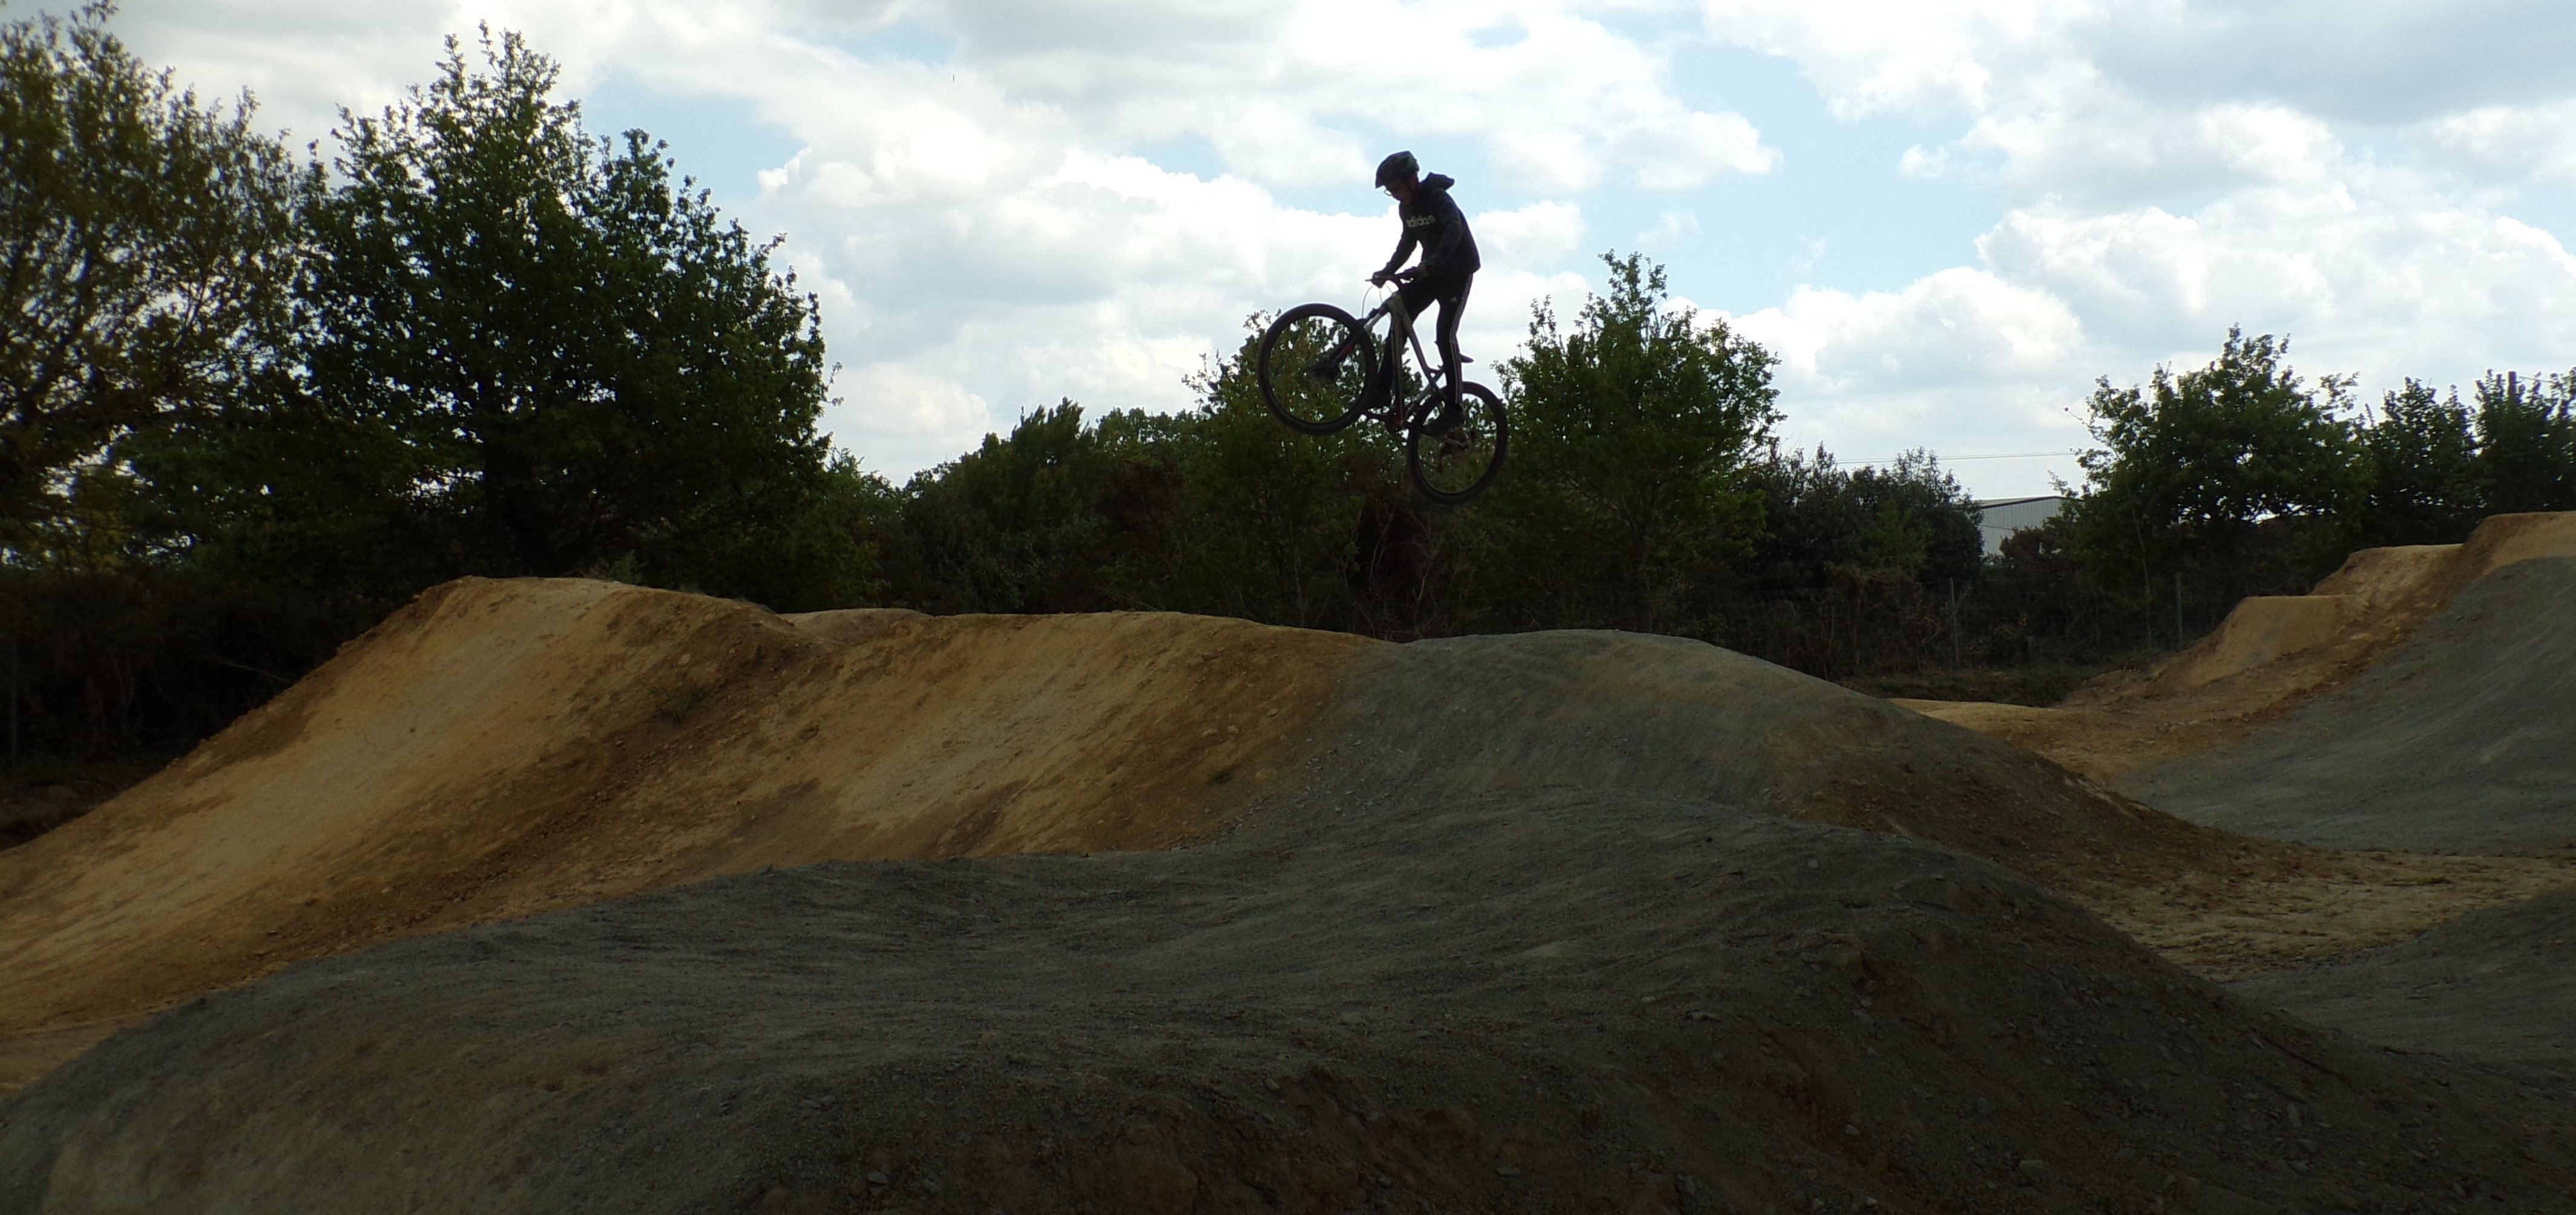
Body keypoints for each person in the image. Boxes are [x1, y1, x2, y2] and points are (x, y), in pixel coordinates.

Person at [1368, 151, 1479, 430]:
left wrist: (1432, 263)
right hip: (1429, 272)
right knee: (1398, 324)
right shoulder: (1406, 209)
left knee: (1444, 336)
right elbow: (1408, 243)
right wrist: (1388, 270)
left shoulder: (1438, 198)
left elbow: (1454, 231)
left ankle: (1455, 409)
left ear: (1412, 180)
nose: (1395, 195)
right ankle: (1382, 391)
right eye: (1390, 191)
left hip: (1457, 272)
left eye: (1396, 188)